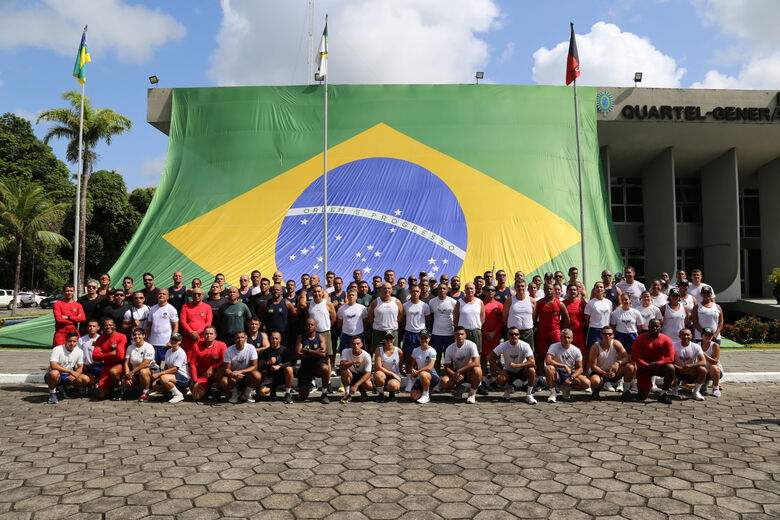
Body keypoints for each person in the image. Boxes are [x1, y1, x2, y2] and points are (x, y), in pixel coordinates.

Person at [488, 327, 537, 404]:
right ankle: (508, 389)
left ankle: (529, 394)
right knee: (500, 379)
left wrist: (517, 366)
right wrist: (500, 371)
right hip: (508, 372)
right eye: (511, 334)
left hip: (522, 371)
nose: (514, 336)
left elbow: (532, 362)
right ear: (507, 336)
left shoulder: (525, 345)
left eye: (516, 334)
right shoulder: (503, 345)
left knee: (532, 370)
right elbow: (490, 358)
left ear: (519, 336)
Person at [631, 319, 675, 404]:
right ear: (648, 327)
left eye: (657, 326)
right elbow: (635, 357)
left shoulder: (666, 339)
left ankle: (663, 394)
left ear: (660, 327)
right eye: (652, 326)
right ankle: (645, 388)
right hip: (644, 368)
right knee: (643, 397)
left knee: (671, 368)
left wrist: (657, 363)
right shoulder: (640, 338)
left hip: (658, 367)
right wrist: (646, 365)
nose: (655, 328)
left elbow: (670, 358)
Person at [587, 326, 636, 400]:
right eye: (605, 334)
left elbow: (626, 358)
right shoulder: (595, 347)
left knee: (630, 367)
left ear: (613, 335)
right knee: (595, 381)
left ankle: (626, 391)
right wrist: (605, 374)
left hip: (614, 371)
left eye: (610, 334)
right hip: (599, 372)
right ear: (601, 335)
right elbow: (593, 366)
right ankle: (596, 390)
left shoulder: (616, 343)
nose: (607, 336)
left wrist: (618, 363)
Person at [453, 283, 485, 387]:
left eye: (472, 288)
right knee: (462, 356)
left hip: (475, 332)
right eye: (467, 288)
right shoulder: (460, 302)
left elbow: (482, 318)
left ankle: (478, 382)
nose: (469, 290)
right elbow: (456, 319)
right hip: (463, 333)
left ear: (475, 290)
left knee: (477, 357)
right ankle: (460, 381)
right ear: (464, 290)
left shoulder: (479, 302)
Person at [545, 329, 590, 402]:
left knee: (586, 383)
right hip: (557, 373)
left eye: (568, 337)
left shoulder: (576, 350)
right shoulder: (554, 346)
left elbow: (580, 368)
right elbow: (548, 360)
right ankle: (553, 393)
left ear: (572, 338)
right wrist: (563, 366)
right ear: (561, 338)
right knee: (549, 368)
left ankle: (566, 388)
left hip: (569, 373)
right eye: (564, 337)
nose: (566, 339)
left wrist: (571, 378)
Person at [440, 326, 482, 404]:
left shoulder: (471, 345)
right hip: (457, 373)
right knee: (444, 382)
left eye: (462, 334)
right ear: (454, 335)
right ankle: (459, 388)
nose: (460, 336)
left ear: (465, 335)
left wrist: (460, 371)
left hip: (469, 372)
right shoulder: (449, 348)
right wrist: (454, 374)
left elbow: (476, 362)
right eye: (457, 334)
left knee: (478, 370)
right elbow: (447, 367)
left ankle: (472, 394)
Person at [534, 283, 570, 372]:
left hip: (555, 333)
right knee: (541, 355)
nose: (549, 291)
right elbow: (534, 319)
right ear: (544, 291)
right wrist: (540, 327)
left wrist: (559, 330)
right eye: (547, 289)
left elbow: (567, 320)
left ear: (554, 290)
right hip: (542, 333)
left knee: (556, 355)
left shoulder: (560, 304)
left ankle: (556, 375)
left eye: (551, 289)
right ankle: (541, 377)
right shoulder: (539, 303)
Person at [46, 331, 89, 403]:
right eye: (70, 341)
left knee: (85, 379)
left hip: (68, 375)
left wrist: (75, 375)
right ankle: (52, 394)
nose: (72, 343)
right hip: (56, 374)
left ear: (77, 342)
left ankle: (67, 388)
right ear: (66, 341)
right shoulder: (57, 349)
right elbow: (53, 365)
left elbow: (80, 367)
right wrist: (70, 371)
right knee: (54, 373)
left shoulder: (80, 351)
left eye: (74, 341)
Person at [295, 318, 331, 403]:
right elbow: (297, 354)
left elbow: (323, 354)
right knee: (303, 396)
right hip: (305, 367)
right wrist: (316, 352)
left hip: (318, 365)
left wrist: (307, 350)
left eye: (312, 325)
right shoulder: (301, 337)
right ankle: (307, 385)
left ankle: (324, 394)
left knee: (325, 368)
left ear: (315, 326)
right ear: (305, 326)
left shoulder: (320, 337)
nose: (310, 326)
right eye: (308, 325)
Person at [222, 331, 262, 404]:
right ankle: (235, 394)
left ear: (245, 339)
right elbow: (226, 369)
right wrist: (233, 374)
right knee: (224, 381)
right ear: (234, 339)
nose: (240, 339)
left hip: (247, 374)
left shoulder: (251, 348)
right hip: (234, 375)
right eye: (238, 337)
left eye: (242, 337)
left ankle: (246, 394)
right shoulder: (229, 350)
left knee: (257, 376)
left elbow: (254, 366)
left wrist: (240, 372)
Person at [189, 326, 227, 402]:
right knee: (196, 397)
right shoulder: (196, 346)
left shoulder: (222, 345)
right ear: (203, 335)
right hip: (203, 375)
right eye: (206, 334)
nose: (209, 335)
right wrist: (195, 381)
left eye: (211, 333)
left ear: (215, 335)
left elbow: (224, 361)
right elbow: (192, 364)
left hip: (216, 374)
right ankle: (208, 390)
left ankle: (217, 388)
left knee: (223, 368)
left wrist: (212, 367)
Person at [92, 319, 127, 400]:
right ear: (103, 328)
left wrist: (103, 355)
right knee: (101, 395)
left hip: (119, 365)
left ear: (114, 326)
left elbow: (120, 356)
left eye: (110, 325)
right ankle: (111, 386)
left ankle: (117, 389)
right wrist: (111, 353)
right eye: (106, 325)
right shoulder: (100, 338)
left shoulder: (121, 336)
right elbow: (94, 356)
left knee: (113, 372)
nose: (108, 327)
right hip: (106, 367)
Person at [122, 327, 160, 402]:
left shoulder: (148, 346)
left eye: (139, 334)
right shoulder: (130, 347)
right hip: (136, 373)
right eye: (134, 335)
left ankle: (145, 393)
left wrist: (132, 372)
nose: (136, 336)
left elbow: (146, 363)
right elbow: (126, 362)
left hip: (150, 371)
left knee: (143, 371)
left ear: (143, 336)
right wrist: (127, 374)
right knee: (124, 382)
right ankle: (138, 389)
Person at [150, 333, 189, 403]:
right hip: (172, 376)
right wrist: (161, 377)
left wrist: (159, 375)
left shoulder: (181, 353)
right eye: (172, 339)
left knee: (164, 378)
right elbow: (166, 366)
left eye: (176, 340)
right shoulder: (168, 351)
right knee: (155, 385)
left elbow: (175, 369)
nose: (173, 341)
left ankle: (178, 395)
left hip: (183, 377)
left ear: (179, 342)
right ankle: (172, 392)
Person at [401, 285, 431, 375]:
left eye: (417, 291)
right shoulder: (405, 305)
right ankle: (409, 377)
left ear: (420, 293)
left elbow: (428, 320)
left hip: (421, 334)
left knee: (422, 357)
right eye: (413, 291)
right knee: (409, 357)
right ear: (410, 292)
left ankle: (420, 376)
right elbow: (403, 320)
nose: (415, 293)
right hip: (409, 334)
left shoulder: (424, 306)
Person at [258, 331, 295, 403]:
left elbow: (292, 362)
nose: (274, 340)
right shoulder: (266, 351)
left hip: (283, 376)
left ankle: (287, 394)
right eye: (272, 338)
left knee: (289, 369)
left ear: (280, 339)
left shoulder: (285, 350)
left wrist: (280, 366)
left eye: (276, 338)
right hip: (271, 377)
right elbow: (260, 365)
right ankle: (272, 390)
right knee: (261, 392)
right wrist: (268, 363)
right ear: (270, 339)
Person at [307, 285, 337, 373]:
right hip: (313, 334)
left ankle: (328, 382)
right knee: (312, 357)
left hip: (325, 333)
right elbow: (307, 318)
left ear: (322, 293)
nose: (317, 293)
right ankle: (313, 382)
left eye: (319, 291)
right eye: (315, 291)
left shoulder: (327, 303)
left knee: (327, 357)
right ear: (312, 293)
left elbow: (334, 318)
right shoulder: (309, 304)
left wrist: (327, 327)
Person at [428, 283, 457, 373]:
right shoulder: (432, 302)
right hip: (436, 333)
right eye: (440, 289)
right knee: (436, 356)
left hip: (449, 333)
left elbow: (456, 317)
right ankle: (436, 377)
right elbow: (431, 317)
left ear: (447, 290)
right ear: (437, 290)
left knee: (449, 357)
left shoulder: (453, 302)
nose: (441, 291)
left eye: (444, 289)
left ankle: (450, 376)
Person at [670, 328, 707, 401]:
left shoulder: (696, 346)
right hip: (677, 371)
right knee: (669, 369)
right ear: (679, 336)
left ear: (691, 336)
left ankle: (696, 392)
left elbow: (703, 361)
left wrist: (689, 366)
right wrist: (679, 368)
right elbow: (670, 361)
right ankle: (674, 387)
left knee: (703, 370)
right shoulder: (674, 345)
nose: (686, 337)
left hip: (690, 371)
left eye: (687, 335)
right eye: (683, 335)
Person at [145, 288, 179, 366]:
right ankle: (153, 377)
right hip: (152, 342)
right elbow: (148, 326)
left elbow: (176, 325)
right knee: (152, 364)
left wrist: (172, 340)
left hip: (165, 343)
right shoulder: (152, 309)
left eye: (164, 294)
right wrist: (146, 339)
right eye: (160, 293)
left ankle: (161, 377)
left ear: (168, 297)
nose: (161, 295)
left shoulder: (171, 309)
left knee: (164, 364)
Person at [368, 283, 403, 354]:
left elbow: (400, 318)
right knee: (377, 354)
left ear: (391, 290)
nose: (387, 290)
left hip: (393, 332)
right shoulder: (375, 302)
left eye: (389, 288)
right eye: (384, 288)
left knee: (393, 354)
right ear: (381, 290)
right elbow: (370, 317)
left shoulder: (397, 302)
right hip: (378, 333)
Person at [480, 284, 503, 387]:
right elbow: (479, 320)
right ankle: (484, 378)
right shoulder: (480, 304)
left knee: (494, 357)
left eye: (492, 290)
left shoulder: (499, 305)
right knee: (484, 357)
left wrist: (494, 332)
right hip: (484, 335)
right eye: (488, 290)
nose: (490, 292)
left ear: (495, 292)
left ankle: (494, 378)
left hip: (495, 335)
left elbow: (502, 321)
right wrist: (485, 332)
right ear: (484, 291)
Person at [339, 336, 374, 403]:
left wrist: (356, 385)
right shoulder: (345, 351)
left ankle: (361, 388)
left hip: (361, 375)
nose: (355, 346)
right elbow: (342, 365)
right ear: (350, 345)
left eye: (358, 343)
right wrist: (354, 362)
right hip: (351, 375)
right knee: (344, 370)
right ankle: (347, 394)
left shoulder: (366, 356)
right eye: (353, 344)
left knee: (369, 386)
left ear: (361, 344)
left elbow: (368, 373)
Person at [408, 330, 439, 404]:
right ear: (419, 339)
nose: (424, 340)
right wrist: (412, 370)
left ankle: (426, 395)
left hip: (432, 377)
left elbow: (429, 367)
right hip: (420, 377)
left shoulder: (432, 351)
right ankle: (426, 389)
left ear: (429, 339)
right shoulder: (415, 350)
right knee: (414, 397)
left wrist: (417, 372)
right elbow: (412, 364)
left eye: (426, 338)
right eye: (422, 338)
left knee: (423, 374)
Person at [503, 279, 535, 349]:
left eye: (522, 286)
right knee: (513, 355)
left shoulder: (532, 301)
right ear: (515, 287)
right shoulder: (509, 301)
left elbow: (534, 317)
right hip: (513, 334)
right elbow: (504, 318)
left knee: (529, 356)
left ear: (525, 287)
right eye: (518, 286)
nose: (520, 288)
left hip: (528, 333)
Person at [179, 287, 212, 354]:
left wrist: (197, 332)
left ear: (202, 295)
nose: (196, 296)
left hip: (201, 338)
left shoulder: (207, 307)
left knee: (202, 360)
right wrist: (191, 332)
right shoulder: (185, 306)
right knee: (187, 361)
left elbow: (208, 323)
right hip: (188, 339)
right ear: (191, 295)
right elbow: (183, 321)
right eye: (194, 294)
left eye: (199, 294)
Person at [373, 331, 403, 402]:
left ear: (394, 339)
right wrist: (392, 374)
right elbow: (378, 367)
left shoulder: (399, 351)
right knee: (378, 374)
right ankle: (380, 393)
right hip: (383, 374)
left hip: (394, 376)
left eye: (391, 338)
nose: (389, 340)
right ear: (384, 339)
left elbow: (400, 365)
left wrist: (398, 375)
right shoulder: (379, 350)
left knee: (394, 385)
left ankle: (392, 393)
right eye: (387, 338)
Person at [583, 282, 614, 350]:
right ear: (594, 290)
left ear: (604, 289)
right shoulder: (590, 303)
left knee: (606, 351)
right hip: (594, 330)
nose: (599, 289)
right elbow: (586, 320)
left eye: (601, 287)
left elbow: (610, 316)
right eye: (597, 287)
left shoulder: (609, 302)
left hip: (607, 331)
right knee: (593, 351)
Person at [563, 284, 587, 359]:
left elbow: (586, 318)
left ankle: (581, 369)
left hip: (578, 332)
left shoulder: (582, 304)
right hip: (566, 333)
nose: (572, 291)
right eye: (570, 290)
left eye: (574, 290)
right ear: (567, 292)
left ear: (577, 292)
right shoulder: (562, 303)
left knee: (581, 353)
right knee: (565, 352)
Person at [78, 319, 102, 389]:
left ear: (98, 328)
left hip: (99, 366)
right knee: (89, 381)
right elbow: (78, 354)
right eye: (90, 326)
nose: (92, 328)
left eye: (94, 326)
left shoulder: (101, 338)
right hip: (87, 367)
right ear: (87, 327)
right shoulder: (81, 340)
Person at [700, 328, 723, 397]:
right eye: (705, 335)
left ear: (712, 336)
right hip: (703, 370)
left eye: (710, 335)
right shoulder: (697, 345)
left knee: (714, 367)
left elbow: (715, 362)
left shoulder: (715, 345)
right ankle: (702, 385)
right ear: (702, 336)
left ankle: (715, 388)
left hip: (715, 371)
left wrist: (704, 354)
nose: (707, 337)